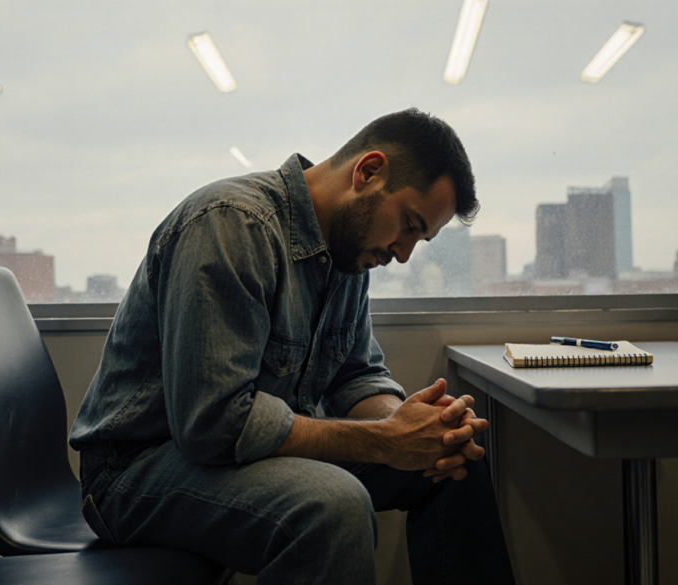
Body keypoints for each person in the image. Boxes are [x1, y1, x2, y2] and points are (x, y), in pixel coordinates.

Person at [69, 108, 516, 584]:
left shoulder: (348, 254)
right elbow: (215, 425)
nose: (403, 254)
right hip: (135, 472)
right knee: (333, 507)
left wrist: (413, 427)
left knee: (451, 462)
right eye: (408, 224)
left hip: (245, 451)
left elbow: (356, 376)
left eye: (419, 240)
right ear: (367, 172)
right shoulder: (231, 225)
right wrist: (388, 440)